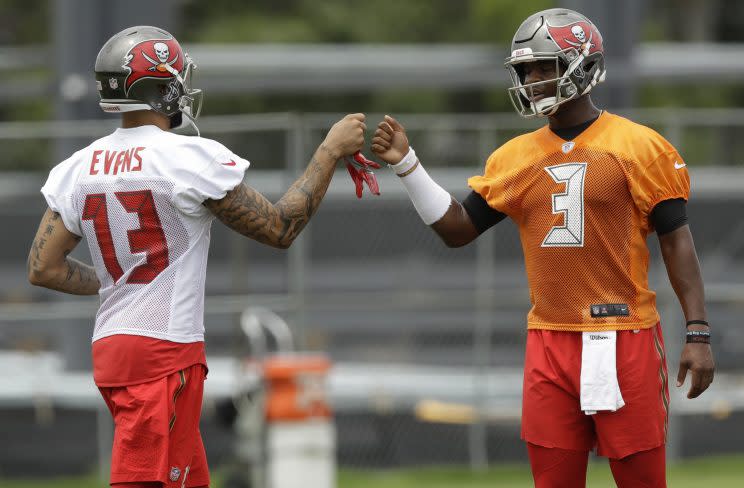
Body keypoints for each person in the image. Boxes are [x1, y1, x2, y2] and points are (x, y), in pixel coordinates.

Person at [371, 8, 714, 488]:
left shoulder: (639, 146)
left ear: (582, 65)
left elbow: (678, 241)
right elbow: (458, 229)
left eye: (542, 67)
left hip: (624, 334)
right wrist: (407, 164)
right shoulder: (515, 157)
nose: (531, 79)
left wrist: (697, 331)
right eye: (525, 70)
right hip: (549, 339)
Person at [27, 26, 365, 488]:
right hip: (163, 350)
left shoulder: (78, 167)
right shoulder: (185, 158)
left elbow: (43, 267)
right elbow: (281, 228)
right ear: (161, 87)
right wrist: (329, 151)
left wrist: (114, 284)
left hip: (113, 344)